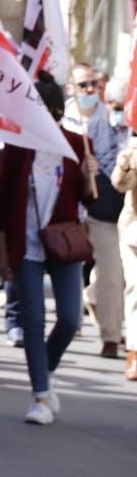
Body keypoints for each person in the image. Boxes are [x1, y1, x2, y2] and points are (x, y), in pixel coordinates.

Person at [0, 76, 100, 425]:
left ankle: (46, 371)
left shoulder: (77, 144)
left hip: (64, 243)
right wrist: (3, 253)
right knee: (33, 319)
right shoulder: (16, 148)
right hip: (25, 243)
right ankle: (39, 394)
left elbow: (88, 198)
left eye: (45, 112)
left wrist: (88, 174)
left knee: (70, 318)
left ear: (55, 112)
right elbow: (3, 205)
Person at [67, 63, 128, 360]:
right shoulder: (66, 121)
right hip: (83, 210)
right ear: (72, 89)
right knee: (98, 273)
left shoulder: (116, 122)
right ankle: (99, 331)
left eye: (94, 84)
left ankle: (111, 328)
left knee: (118, 275)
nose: (90, 90)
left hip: (115, 207)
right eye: (83, 85)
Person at [111, 129, 137, 380]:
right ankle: (134, 352)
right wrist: (125, 165)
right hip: (134, 235)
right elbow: (119, 184)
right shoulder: (134, 149)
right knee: (136, 291)